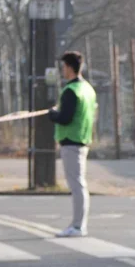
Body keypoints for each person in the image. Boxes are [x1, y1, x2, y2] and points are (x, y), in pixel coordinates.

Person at [48, 50, 96, 238]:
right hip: (82, 138)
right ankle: (78, 224)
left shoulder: (71, 91)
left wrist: (53, 115)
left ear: (69, 67)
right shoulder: (88, 89)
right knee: (79, 183)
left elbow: (65, 117)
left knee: (77, 185)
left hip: (71, 141)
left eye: (63, 67)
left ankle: (77, 225)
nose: (62, 71)